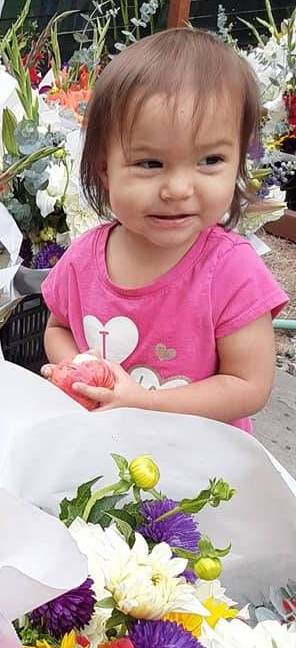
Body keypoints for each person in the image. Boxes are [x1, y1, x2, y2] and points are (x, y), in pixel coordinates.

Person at [41, 28, 288, 432]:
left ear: (239, 160)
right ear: (105, 169)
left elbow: (249, 385)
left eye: (210, 159)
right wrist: (76, 369)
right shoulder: (84, 258)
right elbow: (59, 327)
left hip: (200, 474)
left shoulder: (230, 271)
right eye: (150, 164)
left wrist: (145, 403)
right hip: (105, 449)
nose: (177, 189)